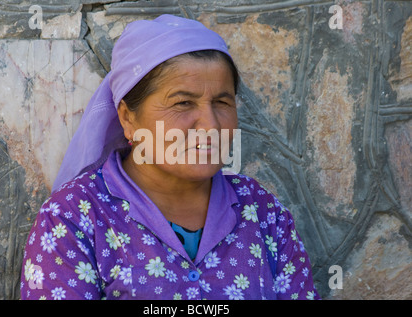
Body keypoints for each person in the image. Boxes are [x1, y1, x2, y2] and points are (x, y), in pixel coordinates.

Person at [20, 14, 319, 300]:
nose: (211, 125)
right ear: (128, 118)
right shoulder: (74, 219)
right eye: (183, 103)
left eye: (222, 102)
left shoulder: (262, 211)